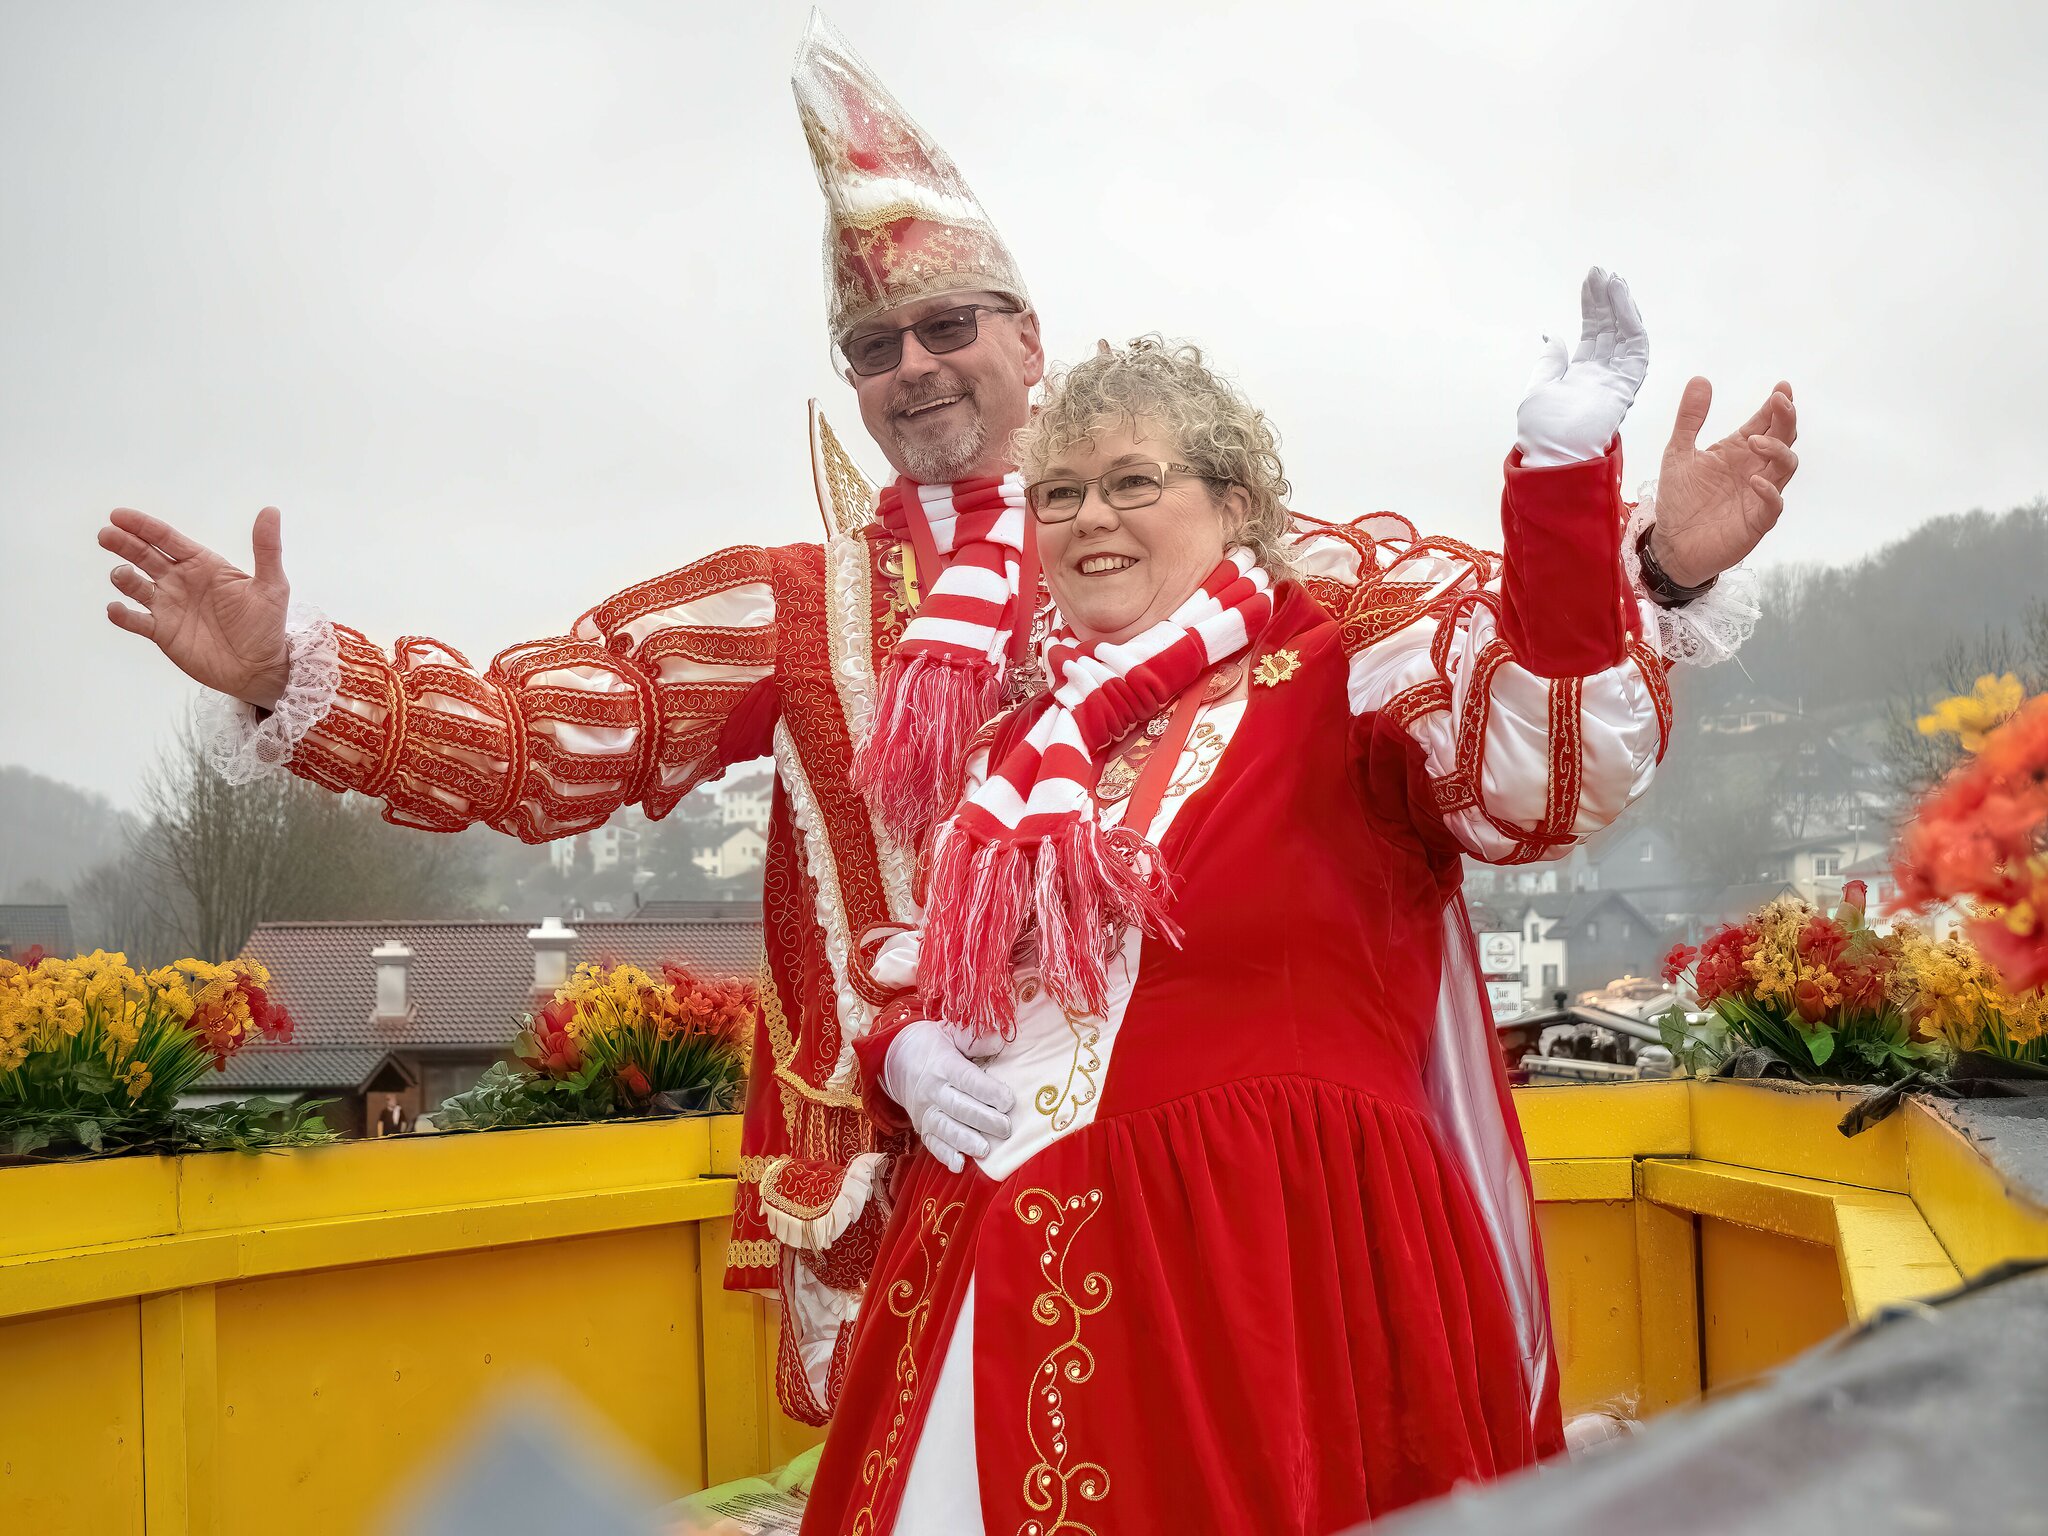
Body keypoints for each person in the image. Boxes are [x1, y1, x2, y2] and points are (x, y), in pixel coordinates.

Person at [92, 16, 1793, 1426]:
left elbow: (1464, 685)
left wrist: (1625, 553)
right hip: (925, 1193)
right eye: (871, 343)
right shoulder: (798, 599)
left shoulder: (1215, 546)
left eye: (945, 324)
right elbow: (553, 733)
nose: (911, 364)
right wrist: (285, 670)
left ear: (1027, 339)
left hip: (1215, 1197)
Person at [801, 281, 1787, 1534]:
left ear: (1234, 508)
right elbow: (913, 961)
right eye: (1058, 494)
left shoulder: (1339, 679)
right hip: (994, 1258)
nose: (1088, 519)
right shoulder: (1016, 750)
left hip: (1266, 1254)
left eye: (1130, 482)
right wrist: (909, 1043)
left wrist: (1574, 503)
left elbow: (1533, 762)